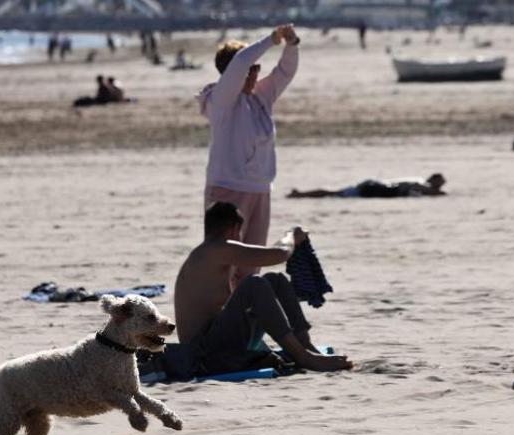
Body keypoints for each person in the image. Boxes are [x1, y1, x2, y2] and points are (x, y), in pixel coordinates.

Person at [174, 202, 353, 374]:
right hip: (202, 357)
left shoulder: (207, 254)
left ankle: (305, 345)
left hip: (214, 346)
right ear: (233, 229)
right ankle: (303, 357)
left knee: (275, 280)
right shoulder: (215, 250)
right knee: (254, 284)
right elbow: (280, 254)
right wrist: (292, 234)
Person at [197, 24, 300, 286]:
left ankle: (245, 319)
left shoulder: (260, 97)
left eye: (257, 68)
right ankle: (217, 320)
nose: (255, 73)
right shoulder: (220, 100)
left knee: (251, 267)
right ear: (235, 72)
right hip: (228, 191)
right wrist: (271, 39)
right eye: (252, 69)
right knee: (223, 267)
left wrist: (291, 44)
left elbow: (285, 72)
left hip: (260, 190)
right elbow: (242, 60)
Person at [287, 174, 447, 199]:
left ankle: (300, 194)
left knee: (333, 193)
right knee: (332, 193)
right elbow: (433, 193)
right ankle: (300, 195)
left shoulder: (416, 182)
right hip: (372, 188)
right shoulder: (420, 184)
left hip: (372, 186)